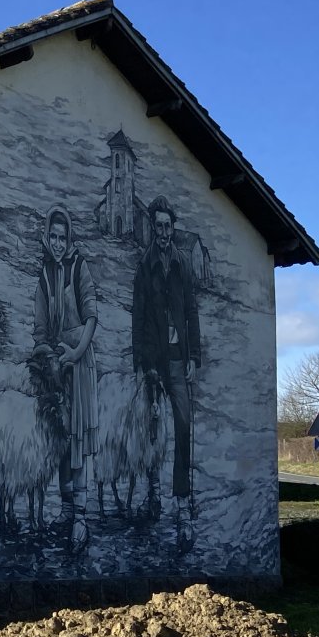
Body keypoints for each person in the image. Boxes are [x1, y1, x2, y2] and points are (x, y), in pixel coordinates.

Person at [132, 196, 200, 537]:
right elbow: (138, 318)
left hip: (177, 361)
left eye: (167, 226)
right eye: (157, 226)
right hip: (154, 362)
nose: (162, 232)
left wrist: (194, 357)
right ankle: (154, 493)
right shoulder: (145, 267)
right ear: (152, 228)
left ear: (173, 228)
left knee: (184, 427)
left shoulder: (182, 264)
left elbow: (191, 313)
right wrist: (142, 364)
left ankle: (183, 502)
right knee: (153, 430)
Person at [33, 204, 98, 553]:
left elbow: (91, 314)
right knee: (60, 437)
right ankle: (66, 508)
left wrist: (76, 352)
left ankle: (81, 519)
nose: (58, 243)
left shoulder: (78, 267)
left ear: (69, 238)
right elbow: (40, 325)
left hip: (80, 361)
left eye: (63, 237)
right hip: (58, 363)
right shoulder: (44, 274)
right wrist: (45, 353)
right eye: (53, 237)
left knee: (78, 441)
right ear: (48, 237)